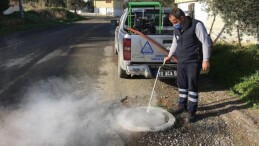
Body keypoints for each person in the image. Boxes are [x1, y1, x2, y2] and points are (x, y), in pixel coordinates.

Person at [164, 8, 211, 123]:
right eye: (172, 23)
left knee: (192, 86)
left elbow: (206, 42)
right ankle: (181, 106)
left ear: (182, 18)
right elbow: (175, 42)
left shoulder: (196, 25)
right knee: (182, 84)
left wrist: (206, 60)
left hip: (193, 61)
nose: (173, 24)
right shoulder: (177, 28)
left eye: (175, 22)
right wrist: (169, 55)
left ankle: (192, 111)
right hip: (181, 61)